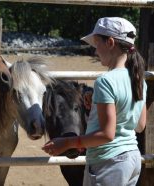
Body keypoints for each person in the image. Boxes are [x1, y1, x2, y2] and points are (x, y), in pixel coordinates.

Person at [42, 17, 147, 186]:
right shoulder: (138, 79)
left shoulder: (106, 81)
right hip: (132, 159)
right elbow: (139, 125)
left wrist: (67, 142)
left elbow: (107, 134)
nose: (95, 51)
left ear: (110, 42)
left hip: (108, 162)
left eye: (97, 44)